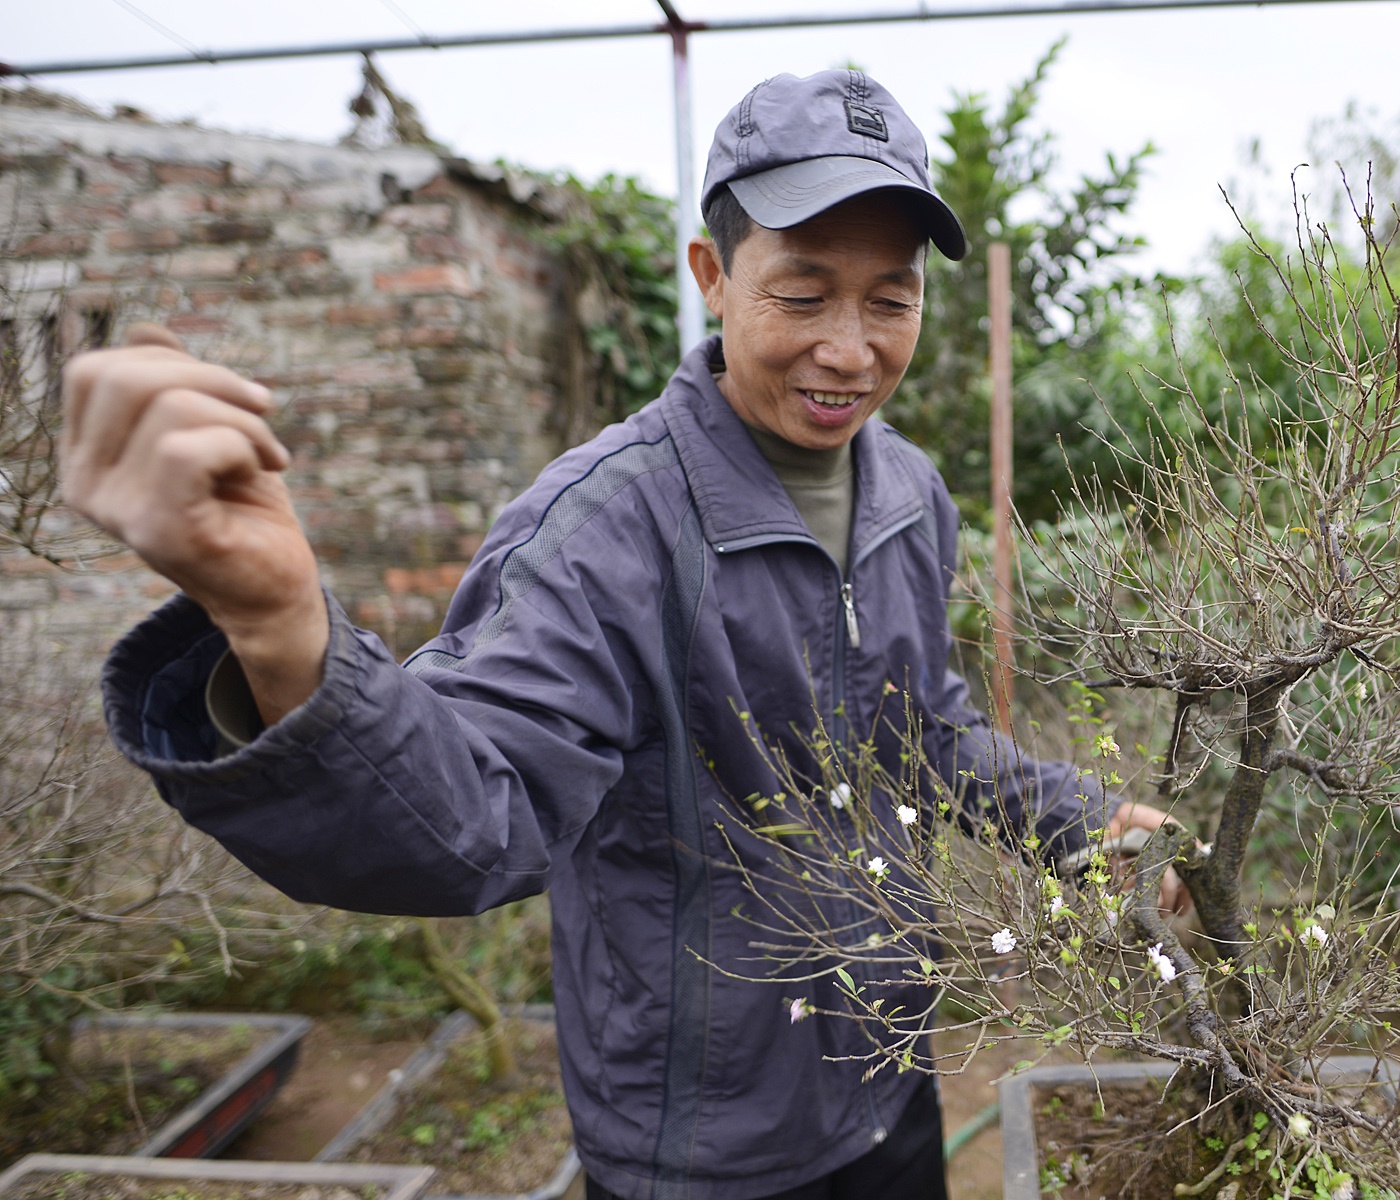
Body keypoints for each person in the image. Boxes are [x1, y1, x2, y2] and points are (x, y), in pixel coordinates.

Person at [62, 70, 1180, 1200]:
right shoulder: (605, 529)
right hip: (698, 1140)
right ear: (711, 276)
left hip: (884, 1076)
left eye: (889, 301)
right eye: (802, 295)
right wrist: (276, 622)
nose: (849, 349)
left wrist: (1092, 823)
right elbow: (473, 815)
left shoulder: (908, 494)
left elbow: (924, 734)